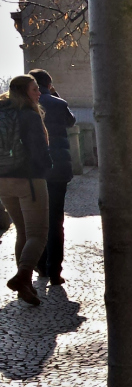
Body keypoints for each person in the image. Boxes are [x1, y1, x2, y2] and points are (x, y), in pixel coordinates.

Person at [0, 75, 52, 306]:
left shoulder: (1, 113)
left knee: (23, 231)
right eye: (34, 89)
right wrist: (47, 167)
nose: (39, 93)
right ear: (24, 92)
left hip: (3, 179)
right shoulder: (29, 116)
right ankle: (22, 278)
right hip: (28, 179)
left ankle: (26, 286)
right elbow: (39, 150)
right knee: (38, 234)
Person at [30, 69, 75, 285]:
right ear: (49, 83)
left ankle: (40, 265)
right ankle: (55, 270)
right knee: (56, 220)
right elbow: (71, 122)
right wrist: (56, 96)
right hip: (58, 168)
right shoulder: (59, 103)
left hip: (34, 170)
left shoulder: (26, 105)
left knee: (36, 220)